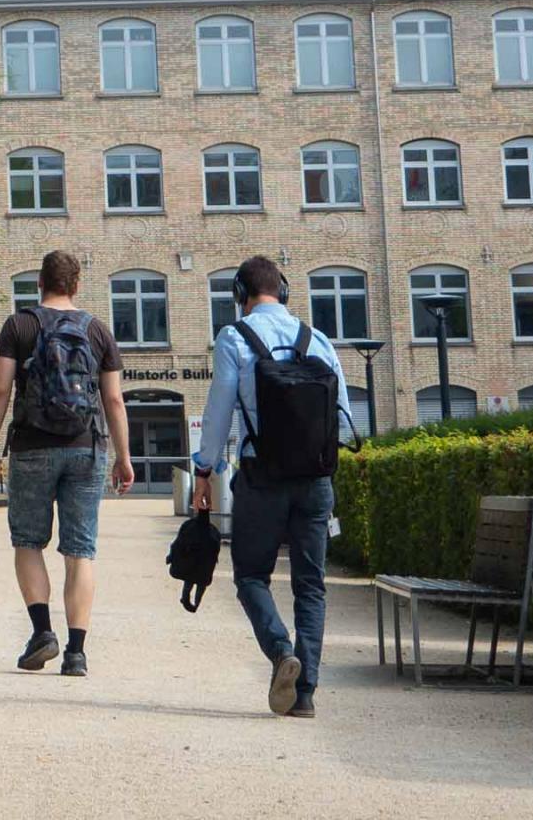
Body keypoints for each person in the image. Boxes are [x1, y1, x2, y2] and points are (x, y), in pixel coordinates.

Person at [191, 255, 350, 718]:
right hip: (315, 479)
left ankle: (282, 652)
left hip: (262, 477)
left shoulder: (234, 337)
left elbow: (219, 412)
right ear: (283, 291)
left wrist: (205, 471)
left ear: (240, 295)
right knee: (311, 586)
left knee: (250, 577)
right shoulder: (317, 338)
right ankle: (306, 695)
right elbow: (342, 412)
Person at [0, 250, 135, 675]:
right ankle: (76, 653)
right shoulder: (97, 330)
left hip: (31, 447)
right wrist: (123, 457)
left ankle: (42, 632)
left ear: (40, 283)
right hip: (86, 448)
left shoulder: (19, 325)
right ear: (77, 285)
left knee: (28, 542)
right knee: (80, 551)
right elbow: (114, 400)